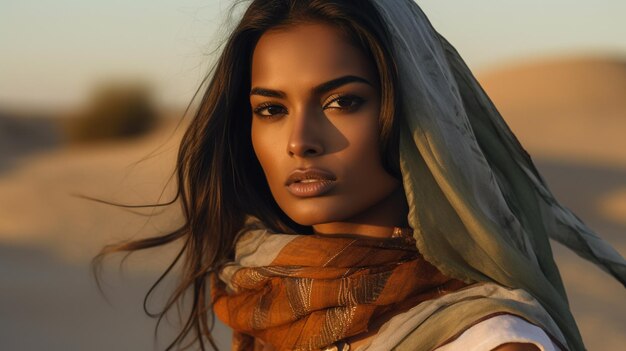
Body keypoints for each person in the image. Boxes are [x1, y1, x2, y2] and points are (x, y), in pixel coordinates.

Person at [95, 0, 626, 350]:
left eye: (342, 101)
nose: (300, 140)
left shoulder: (489, 341)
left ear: (416, 116)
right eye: (271, 109)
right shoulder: (262, 307)